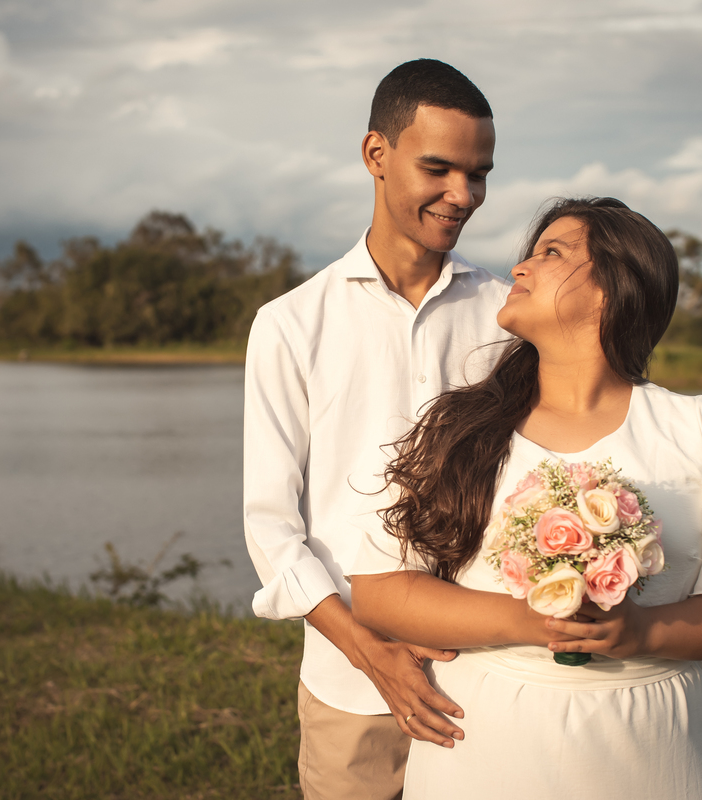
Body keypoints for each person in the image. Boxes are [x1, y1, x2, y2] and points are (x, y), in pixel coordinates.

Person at [350, 197, 702, 798]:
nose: (519, 268)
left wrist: (645, 634)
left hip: (651, 745)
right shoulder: (460, 427)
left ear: (613, 292)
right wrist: (531, 621)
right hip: (481, 741)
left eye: (552, 252)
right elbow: (381, 590)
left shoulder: (699, 427)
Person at [242, 59, 509, 798]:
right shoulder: (291, 326)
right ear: (375, 155)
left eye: (479, 174)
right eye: (439, 168)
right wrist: (369, 651)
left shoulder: (508, 317)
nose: (463, 195)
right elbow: (270, 526)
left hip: (488, 678)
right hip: (348, 686)